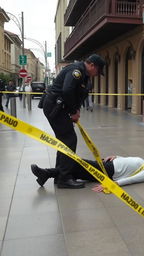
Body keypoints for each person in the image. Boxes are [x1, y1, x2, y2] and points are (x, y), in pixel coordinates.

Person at [37, 54, 106, 189]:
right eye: (98, 71)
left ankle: (59, 175)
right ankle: (64, 178)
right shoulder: (77, 71)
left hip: (58, 106)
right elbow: (67, 90)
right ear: (92, 65)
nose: (97, 74)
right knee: (69, 140)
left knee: (64, 140)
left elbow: (77, 94)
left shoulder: (84, 76)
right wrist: (73, 111)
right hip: (55, 106)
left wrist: (76, 110)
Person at [30, 156, 144, 190]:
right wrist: (117, 156)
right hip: (108, 164)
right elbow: (128, 160)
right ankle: (45, 174)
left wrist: (110, 185)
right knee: (76, 168)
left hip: (109, 171)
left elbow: (131, 180)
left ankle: (46, 173)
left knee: (76, 163)